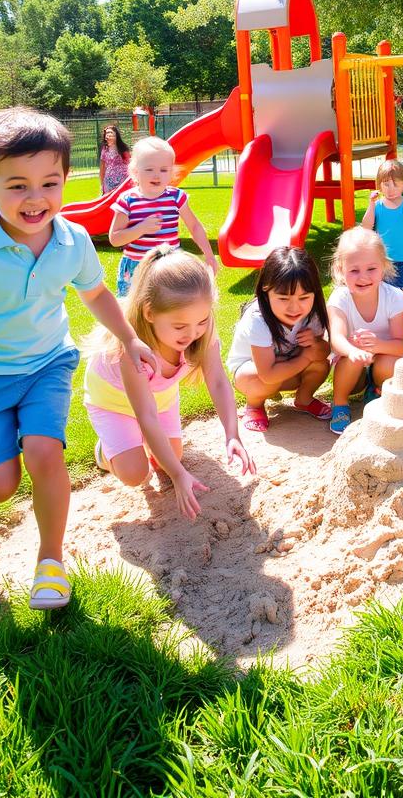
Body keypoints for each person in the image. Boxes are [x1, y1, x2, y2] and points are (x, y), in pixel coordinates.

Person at [0, 107, 156, 610]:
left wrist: (129, 338)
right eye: (17, 185)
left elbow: (97, 294)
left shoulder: (73, 239)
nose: (36, 199)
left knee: (45, 454)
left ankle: (50, 563)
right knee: (1, 483)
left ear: (65, 180)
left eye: (50, 183)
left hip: (47, 365)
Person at [85, 246, 254, 515]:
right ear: (149, 313)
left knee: (171, 458)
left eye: (202, 320)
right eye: (179, 326)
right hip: (114, 404)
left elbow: (219, 382)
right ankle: (106, 451)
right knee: (135, 474)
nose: (193, 333)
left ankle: (137, 445)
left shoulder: (202, 334)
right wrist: (178, 476)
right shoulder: (133, 352)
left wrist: (232, 434)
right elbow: (145, 415)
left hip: (159, 399)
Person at [228, 246, 331, 433]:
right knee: (266, 378)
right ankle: (254, 404)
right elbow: (267, 374)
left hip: (286, 369)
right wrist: (306, 357)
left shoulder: (312, 313)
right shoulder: (258, 319)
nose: (294, 308)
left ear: (314, 293)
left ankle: (304, 399)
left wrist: (316, 344)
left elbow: (324, 353)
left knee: (321, 363)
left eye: (304, 297)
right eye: (284, 298)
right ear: (266, 292)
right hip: (255, 375)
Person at [109, 135, 217, 297]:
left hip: (169, 266)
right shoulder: (128, 200)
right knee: (133, 314)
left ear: (171, 172)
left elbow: (194, 227)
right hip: (137, 268)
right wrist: (141, 228)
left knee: (169, 310)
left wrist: (209, 256)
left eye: (163, 170)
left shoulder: (176, 197)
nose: (157, 175)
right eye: (149, 169)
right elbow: (115, 238)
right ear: (135, 171)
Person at [327, 226, 403, 435]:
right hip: (352, 366)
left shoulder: (394, 296)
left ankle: (379, 392)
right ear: (340, 270)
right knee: (352, 360)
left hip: (384, 357)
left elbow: (402, 346)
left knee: (389, 362)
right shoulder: (340, 298)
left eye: (371, 269)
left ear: (384, 267)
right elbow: (336, 337)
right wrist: (353, 351)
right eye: (354, 270)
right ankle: (340, 403)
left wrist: (377, 345)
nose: (363, 277)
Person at [361, 158, 403, 321]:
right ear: (379, 185)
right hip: (384, 261)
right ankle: (396, 326)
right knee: (385, 297)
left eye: (396, 184)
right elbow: (366, 227)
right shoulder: (378, 206)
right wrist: (370, 204)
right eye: (386, 184)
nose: (390, 189)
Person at [99, 123, 131, 195]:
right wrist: (101, 184)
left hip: (123, 181)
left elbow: (130, 163)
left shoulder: (123, 148)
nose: (108, 134)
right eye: (107, 133)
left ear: (116, 135)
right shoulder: (104, 150)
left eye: (110, 132)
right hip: (109, 182)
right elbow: (102, 168)